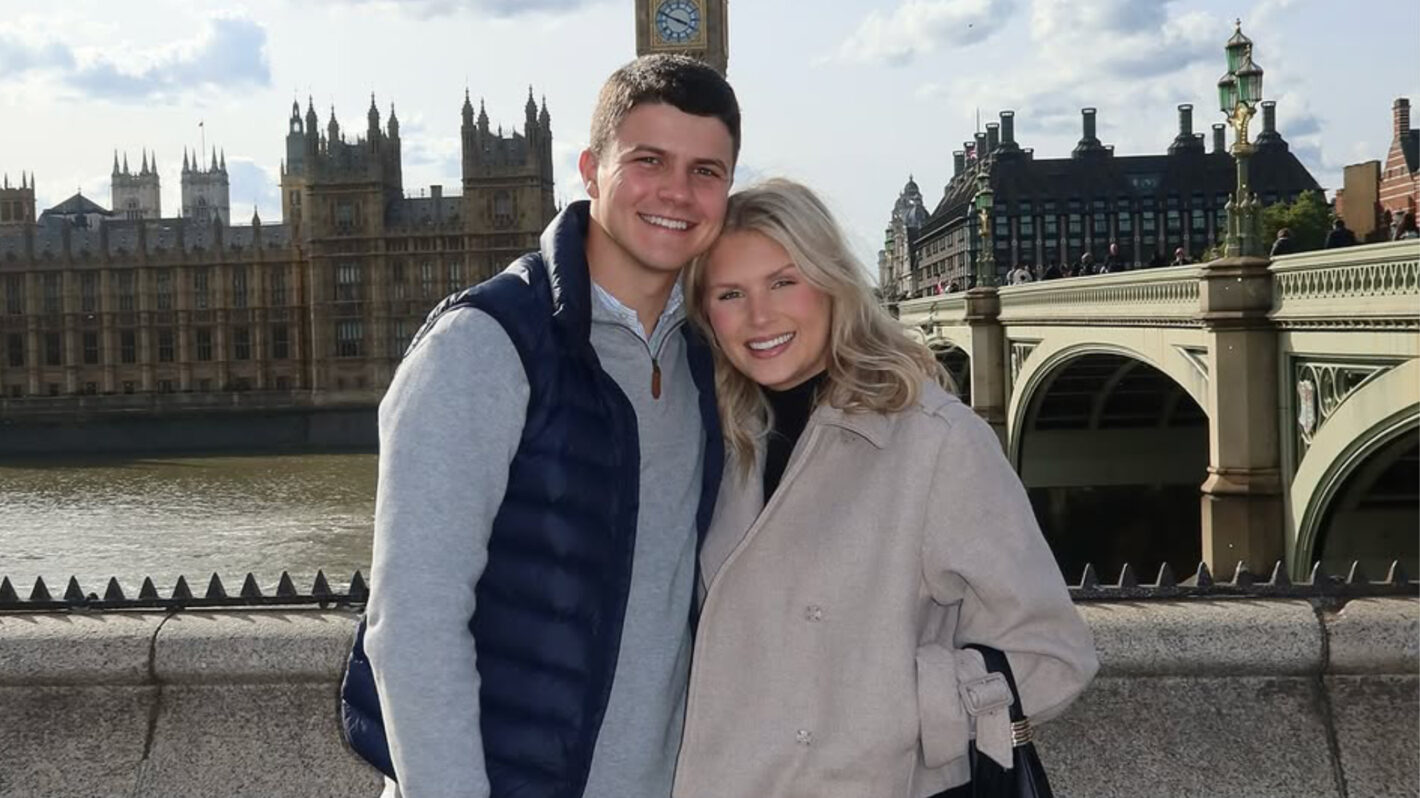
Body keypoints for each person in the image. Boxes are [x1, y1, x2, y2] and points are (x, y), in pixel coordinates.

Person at [341, 54, 740, 798]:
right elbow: (415, 630)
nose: (677, 193)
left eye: (705, 172)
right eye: (648, 161)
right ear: (590, 170)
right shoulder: (483, 346)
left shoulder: (708, 362)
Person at [674, 179, 1098, 798]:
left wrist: (887, 715)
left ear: (831, 283)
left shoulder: (933, 440)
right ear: (706, 313)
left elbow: (1053, 651)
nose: (760, 316)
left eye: (784, 282)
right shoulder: (715, 443)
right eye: (731, 293)